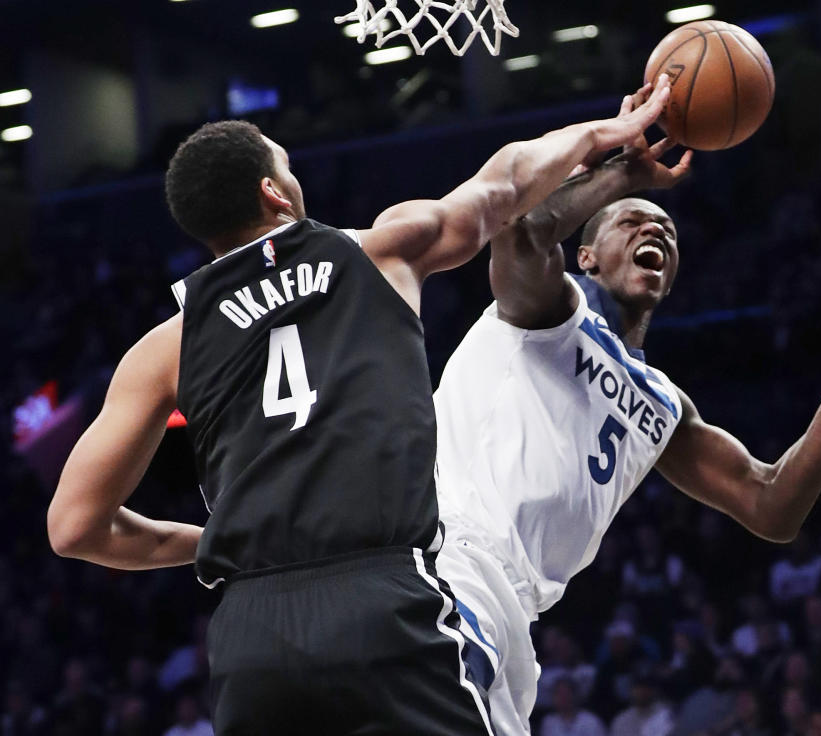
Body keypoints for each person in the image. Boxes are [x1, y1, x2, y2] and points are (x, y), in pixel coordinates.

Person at [45, 74, 677, 735]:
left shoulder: (164, 346)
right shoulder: (379, 251)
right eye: (286, 165)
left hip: (253, 633)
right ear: (273, 191)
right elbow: (506, 182)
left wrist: (211, 544)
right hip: (383, 598)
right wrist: (603, 135)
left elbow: (73, 527)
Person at [433, 90, 821, 735]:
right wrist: (620, 176)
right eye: (631, 223)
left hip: (515, 611)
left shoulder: (663, 404)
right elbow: (521, 228)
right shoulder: (549, 311)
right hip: (450, 558)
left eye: (665, 229)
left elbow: (772, 506)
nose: (655, 229)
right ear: (585, 256)